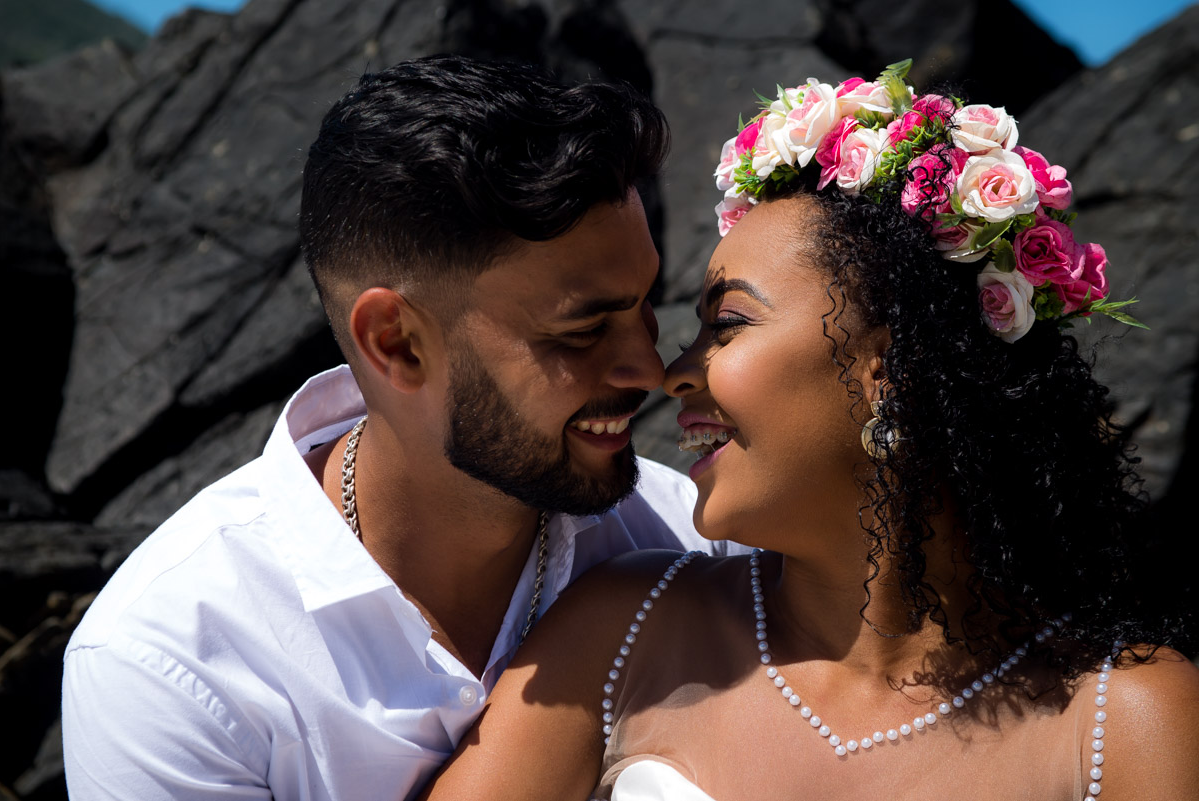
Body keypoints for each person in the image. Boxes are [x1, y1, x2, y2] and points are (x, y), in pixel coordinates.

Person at [416, 61, 1199, 801]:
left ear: (892, 368)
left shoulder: (1122, 720)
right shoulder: (624, 627)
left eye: (727, 324)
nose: (673, 372)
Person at [61, 55, 744, 800]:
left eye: (646, 305)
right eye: (582, 331)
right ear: (397, 344)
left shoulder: (699, 541)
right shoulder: (171, 668)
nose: (649, 367)